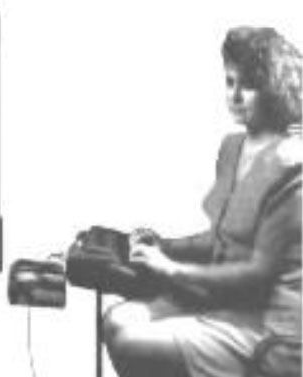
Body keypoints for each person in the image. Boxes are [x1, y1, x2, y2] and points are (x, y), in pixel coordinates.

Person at [102, 27, 301, 377]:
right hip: (224, 302)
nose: (236, 96)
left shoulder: (293, 163)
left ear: (273, 88)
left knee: (132, 340)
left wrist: (169, 269)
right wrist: (165, 245)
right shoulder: (232, 148)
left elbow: (258, 274)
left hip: (269, 327)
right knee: (116, 319)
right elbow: (219, 238)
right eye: (229, 82)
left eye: (249, 84)